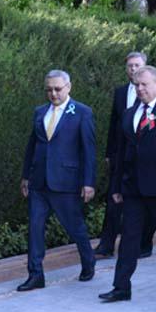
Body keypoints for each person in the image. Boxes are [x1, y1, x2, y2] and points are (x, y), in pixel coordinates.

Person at [99, 65, 156, 303]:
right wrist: (117, 186)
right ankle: (121, 286)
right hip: (133, 187)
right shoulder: (129, 113)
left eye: (145, 85)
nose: (140, 89)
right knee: (129, 236)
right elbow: (121, 153)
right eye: (136, 85)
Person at [18, 70, 97, 290]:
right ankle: (35, 274)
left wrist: (88, 182)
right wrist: (26, 176)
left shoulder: (82, 112)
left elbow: (88, 150)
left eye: (57, 89)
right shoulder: (39, 112)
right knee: (34, 228)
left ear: (68, 87)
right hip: (39, 182)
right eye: (49, 89)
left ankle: (88, 261)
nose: (53, 93)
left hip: (66, 182)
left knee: (75, 227)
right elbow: (32, 146)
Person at [96, 52, 153, 259]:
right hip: (121, 153)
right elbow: (114, 123)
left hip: (144, 157)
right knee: (113, 199)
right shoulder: (120, 92)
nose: (133, 69)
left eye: (137, 65)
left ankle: (143, 244)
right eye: (129, 65)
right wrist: (110, 152)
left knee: (144, 203)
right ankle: (106, 245)